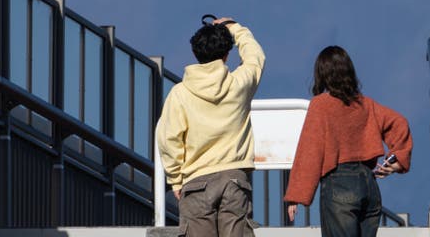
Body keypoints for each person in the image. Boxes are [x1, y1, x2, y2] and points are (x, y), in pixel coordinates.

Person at [283, 45, 412, 237]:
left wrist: (296, 195)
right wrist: (397, 161)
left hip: (339, 184)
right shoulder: (365, 104)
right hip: (369, 186)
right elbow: (399, 123)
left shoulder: (321, 105)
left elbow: (310, 150)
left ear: (322, 73)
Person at [155, 16, 266, 237]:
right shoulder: (238, 84)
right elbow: (255, 56)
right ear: (226, 54)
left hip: (195, 182)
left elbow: (168, 139)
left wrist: (176, 180)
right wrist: (233, 28)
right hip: (234, 179)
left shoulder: (180, 93)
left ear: (196, 53)